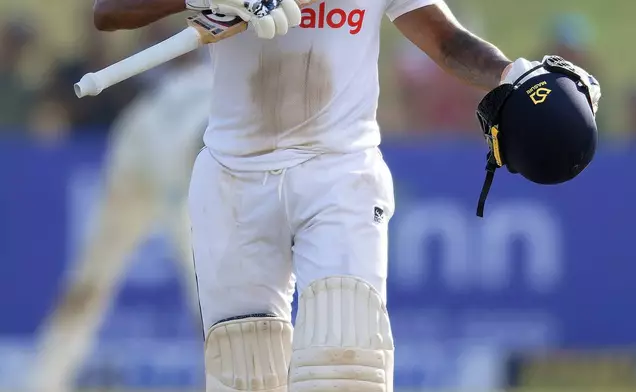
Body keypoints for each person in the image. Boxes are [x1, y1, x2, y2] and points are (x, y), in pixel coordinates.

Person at [91, 0, 601, 391]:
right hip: (233, 180)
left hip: (340, 173)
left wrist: (512, 73)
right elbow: (109, 11)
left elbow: (446, 40)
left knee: (345, 366)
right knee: (244, 372)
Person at [28, 49, 210, 392]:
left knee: (215, 300)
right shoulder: (189, 150)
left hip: (183, 152)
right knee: (90, 281)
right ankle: (44, 382)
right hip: (138, 155)